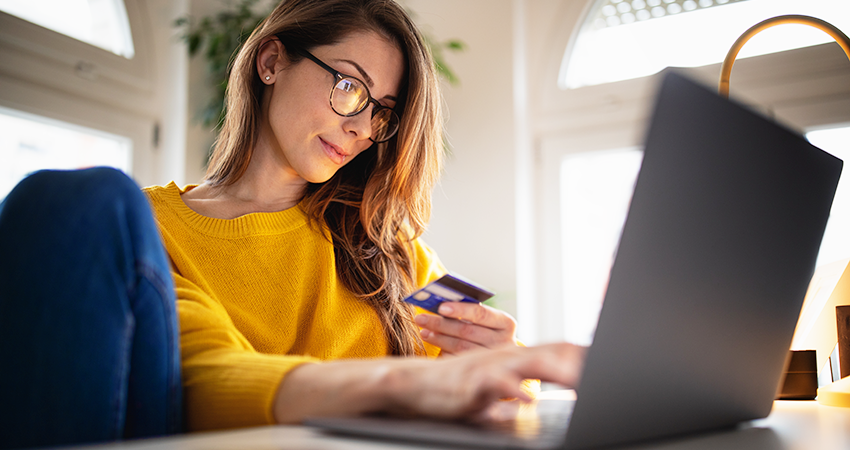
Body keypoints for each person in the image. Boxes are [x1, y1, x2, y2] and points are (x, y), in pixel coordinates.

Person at [0, 0, 585, 445]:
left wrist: (499, 360)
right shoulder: (143, 226)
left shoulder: (389, 247)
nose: (361, 127)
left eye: (382, 111)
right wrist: (403, 387)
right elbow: (203, 376)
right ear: (272, 60)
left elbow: (498, 395)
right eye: (349, 86)